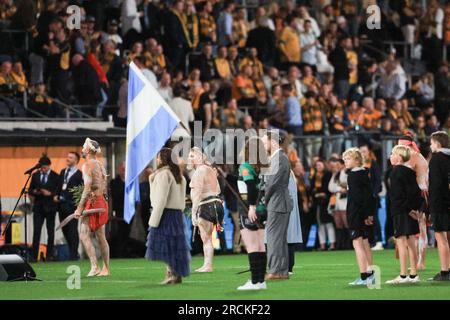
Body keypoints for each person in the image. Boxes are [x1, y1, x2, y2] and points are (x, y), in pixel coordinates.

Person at [146, 147, 190, 284]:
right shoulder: (179, 176)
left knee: (166, 246)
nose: (157, 159)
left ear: (162, 159)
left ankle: (171, 273)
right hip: (177, 214)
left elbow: (160, 200)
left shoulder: (164, 175)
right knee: (175, 246)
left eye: (158, 157)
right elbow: (182, 200)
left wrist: (153, 220)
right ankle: (175, 274)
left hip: (165, 214)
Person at [386, 145, 423, 284]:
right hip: (410, 211)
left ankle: (402, 275)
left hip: (401, 211)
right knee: (412, 243)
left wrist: (408, 210)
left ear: (399, 157)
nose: (390, 156)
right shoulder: (410, 171)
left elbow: (398, 196)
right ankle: (413, 275)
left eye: (393, 154)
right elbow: (415, 193)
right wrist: (415, 210)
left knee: (401, 243)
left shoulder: (395, 172)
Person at [74, 138, 110, 277]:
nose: (82, 149)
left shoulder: (87, 165)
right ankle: (106, 268)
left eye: (84, 147)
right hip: (101, 201)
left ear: (88, 150)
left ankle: (94, 267)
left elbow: (87, 187)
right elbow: (104, 186)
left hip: (93, 201)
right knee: (101, 236)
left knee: (84, 234)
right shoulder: (100, 165)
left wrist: (79, 207)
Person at [236, 137, 268, 290]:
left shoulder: (246, 165)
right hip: (264, 209)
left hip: (249, 208)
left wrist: (251, 207)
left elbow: (250, 187)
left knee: (252, 246)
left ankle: (255, 281)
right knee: (261, 246)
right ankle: (261, 281)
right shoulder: (264, 166)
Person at [261, 130, 293, 280]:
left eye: (264, 141)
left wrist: (261, 200)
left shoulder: (279, 159)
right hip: (278, 202)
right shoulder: (277, 158)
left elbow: (271, 184)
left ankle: (275, 271)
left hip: (277, 203)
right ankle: (281, 271)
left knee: (274, 238)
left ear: (273, 142)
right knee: (278, 239)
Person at [342, 148, 375, 286]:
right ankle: (371, 274)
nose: (345, 162)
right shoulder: (364, 174)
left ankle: (363, 277)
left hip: (356, 214)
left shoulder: (353, 176)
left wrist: (359, 214)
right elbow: (368, 196)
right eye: (344, 159)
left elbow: (357, 198)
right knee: (365, 242)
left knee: (357, 243)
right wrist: (368, 214)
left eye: (348, 159)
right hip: (363, 213)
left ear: (357, 160)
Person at [398, 134, 429, 269]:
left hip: (419, 195)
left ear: (409, 145)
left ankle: (420, 261)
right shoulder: (412, 156)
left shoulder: (415, 157)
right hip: (415, 194)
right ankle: (417, 260)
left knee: (420, 230)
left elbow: (416, 182)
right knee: (416, 230)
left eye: (402, 146)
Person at [188, 147, 221, 273]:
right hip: (216, 205)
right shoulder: (209, 170)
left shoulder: (200, 171)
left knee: (206, 237)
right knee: (207, 237)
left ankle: (208, 265)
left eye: (192, 156)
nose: (189, 159)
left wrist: (194, 213)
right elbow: (218, 190)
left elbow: (197, 193)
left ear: (200, 157)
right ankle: (207, 264)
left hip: (206, 206)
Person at [428, 131, 450, 281]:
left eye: (431, 143)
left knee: (441, 238)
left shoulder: (436, 159)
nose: (430, 146)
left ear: (437, 144)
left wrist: (431, 207)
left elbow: (435, 186)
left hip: (440, 204)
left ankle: (444, 272)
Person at [29, 155, 59, 261]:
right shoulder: (35, 175)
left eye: (45, 167)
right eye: (41, 167)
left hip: (50, 208)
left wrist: (49, 193)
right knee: (36, 232)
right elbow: (30, 190)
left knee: (50, 232)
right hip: (38, 208)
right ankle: (34, 256)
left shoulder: (55, 176)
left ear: (49, 166)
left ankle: (49, 255)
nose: (43, 169)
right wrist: (36, 192)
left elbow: (58, 191)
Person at [55, 152, 83, 261]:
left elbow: (79, 191)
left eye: (70, 157)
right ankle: (72, 252)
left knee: (72, 230)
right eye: (67, 157)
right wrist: (56, 196)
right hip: (62, 206)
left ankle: (74, 254)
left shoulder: (79, 174)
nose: (68, 159)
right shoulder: (63, 172)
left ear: (76, 160)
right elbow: (60, 186)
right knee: (65, 229)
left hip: (72, 207)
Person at [310, 159, 334, 250]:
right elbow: (312, 189)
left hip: (326, 202)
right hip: (318, 203)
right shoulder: (314, 177)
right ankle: (322, 244)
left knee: (328, 223)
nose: (318, 167)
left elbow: (327, 188)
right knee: (320, 223)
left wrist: (322, 193)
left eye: (320, 165)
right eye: (317, 166)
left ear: (324, 165)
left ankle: (332, 244)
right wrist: (318, 193)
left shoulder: (328, 174)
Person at [109, 162, 130, 258]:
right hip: (119, 211)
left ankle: (125, 251)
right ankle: (118, 253)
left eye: (125, 169)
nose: (124, 171)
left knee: (127, 231)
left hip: (129, 211)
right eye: (122, 169)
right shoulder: (114, 182)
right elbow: (115, 196)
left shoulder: (130, 181)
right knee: (119, 232)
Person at [328, 158, 350, 250]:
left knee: (346, 223)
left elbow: (347, 185)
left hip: (344, 201)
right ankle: (340, 244)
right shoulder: (335, 175)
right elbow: (330, 187)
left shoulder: (346, 173)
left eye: (338, 165)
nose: (336, 167)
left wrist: (339, 189)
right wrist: (339, 189)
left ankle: (348, 244)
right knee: (338, 223)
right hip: (336, 201)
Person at [287, 169, 303, 273]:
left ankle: (286, 267)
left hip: (284, 209)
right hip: (289, 209)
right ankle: (289, 267)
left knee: (285, 239)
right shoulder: (291, 174)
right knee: (289, 239)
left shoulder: (286, 175)